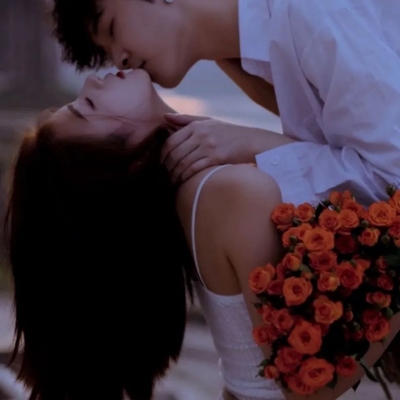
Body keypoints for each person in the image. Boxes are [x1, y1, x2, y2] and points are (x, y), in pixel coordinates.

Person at [4, 70, 400, 400]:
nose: (92, 81)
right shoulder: (232, 192)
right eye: (88, 106)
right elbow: (304, 388)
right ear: (121, 163)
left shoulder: (198, 193)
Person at [51, 0, 400, 206]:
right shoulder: (252, 62)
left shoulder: (308, 14)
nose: (119, 59)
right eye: (106, 53)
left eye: (111, 29)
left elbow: (392, 177)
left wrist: (255, 144)